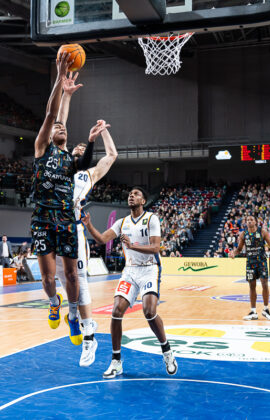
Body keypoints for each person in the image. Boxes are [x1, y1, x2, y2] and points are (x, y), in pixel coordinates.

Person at [31, 52, 107, 346]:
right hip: (41, 219)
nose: (61, 127)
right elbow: (53, 116)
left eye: (64, 127)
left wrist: (89, 141)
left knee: (72, 277)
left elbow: (87, 159)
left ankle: (73, 315)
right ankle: (54, 302)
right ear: (50, 136)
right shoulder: (42, 148)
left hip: (64, 220)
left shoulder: (69, 159)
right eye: (57, 129)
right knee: (49, 280)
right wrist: (60, 82)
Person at [55, 71, 118, 366]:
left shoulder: (90, 174)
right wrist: (66, 96)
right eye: (76, 147)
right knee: (55, 280)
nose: (79, 148)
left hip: (72, 226)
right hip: (49, 221)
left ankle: (89, 336)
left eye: (83, 148)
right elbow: (59, 127)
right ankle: (68, 312)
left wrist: (103, 129)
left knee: (78, 279)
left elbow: (112, 156)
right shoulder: (64, 161)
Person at [83, 187, 178, 378]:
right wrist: (89, 225)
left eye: (136, 194)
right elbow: (102, 239)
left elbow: (155, 248)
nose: (131, 196)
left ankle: (167, 352)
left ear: (143, 200)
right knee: (116, 311)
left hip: (150, 269)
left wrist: (132, 245)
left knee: (149, 312)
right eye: (130, 194)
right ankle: (116, 362)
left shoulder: (152, 219)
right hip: (130, 271)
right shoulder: (122, 222)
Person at [230, 214, 270, 320]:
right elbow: (239, 249)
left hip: (261, 262)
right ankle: (253, 312)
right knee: (252, 287)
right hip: (250, 263)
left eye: (251, 219)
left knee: (265, 284)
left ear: (255, 222)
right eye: (247, 220)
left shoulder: (262, 232)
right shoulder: (243, 234)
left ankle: (266, 309)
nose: (249, 221)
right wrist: (234, 253)